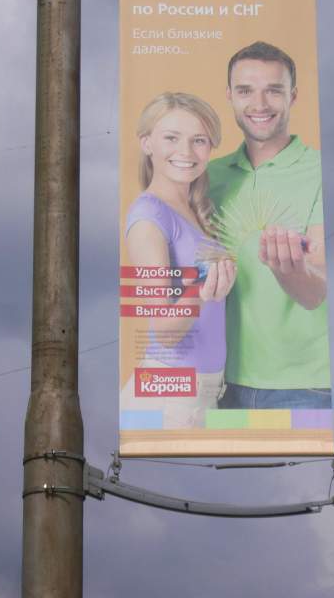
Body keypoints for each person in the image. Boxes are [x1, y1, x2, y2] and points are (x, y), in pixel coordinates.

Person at [208, 41, 331, 409]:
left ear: (293, 96)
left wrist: (290, 271)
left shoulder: (321, 171)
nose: (259, 104)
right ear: (229, 96)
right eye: (245, 91)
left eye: (273, 91)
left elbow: (317, 290)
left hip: (305, 387)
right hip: (221, 384)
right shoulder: (209, 176)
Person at [121, 92, 236, 427]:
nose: (186, 152)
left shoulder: (195, 211)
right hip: (170, 398)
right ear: (147, 143)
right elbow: (165, 331)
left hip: (201, 395)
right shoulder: (148, 216)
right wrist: (201, 289)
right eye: (171, 138)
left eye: (198, 140)